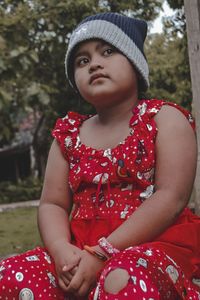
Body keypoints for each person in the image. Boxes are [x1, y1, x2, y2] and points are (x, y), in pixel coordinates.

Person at [0, 12, 200, 300]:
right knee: (10, 275)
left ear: (134, 62)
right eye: (82, 60)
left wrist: (105, 253)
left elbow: (171, 197)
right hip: (80, 252)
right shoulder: (68, 136)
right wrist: (60, 251)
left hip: (150, 247)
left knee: (123, 279)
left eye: (108, 51)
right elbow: (52, 204)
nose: (94, 63)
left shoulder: (164, 119)